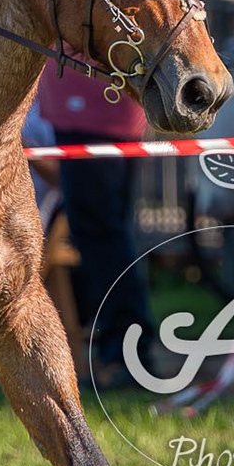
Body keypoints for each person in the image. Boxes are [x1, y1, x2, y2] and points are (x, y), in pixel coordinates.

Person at [33, 62, 154, 388]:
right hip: (96, 111)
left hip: (93, 112)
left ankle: (126, 355)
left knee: (102, 236)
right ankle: (123, 352)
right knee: (105, 235)